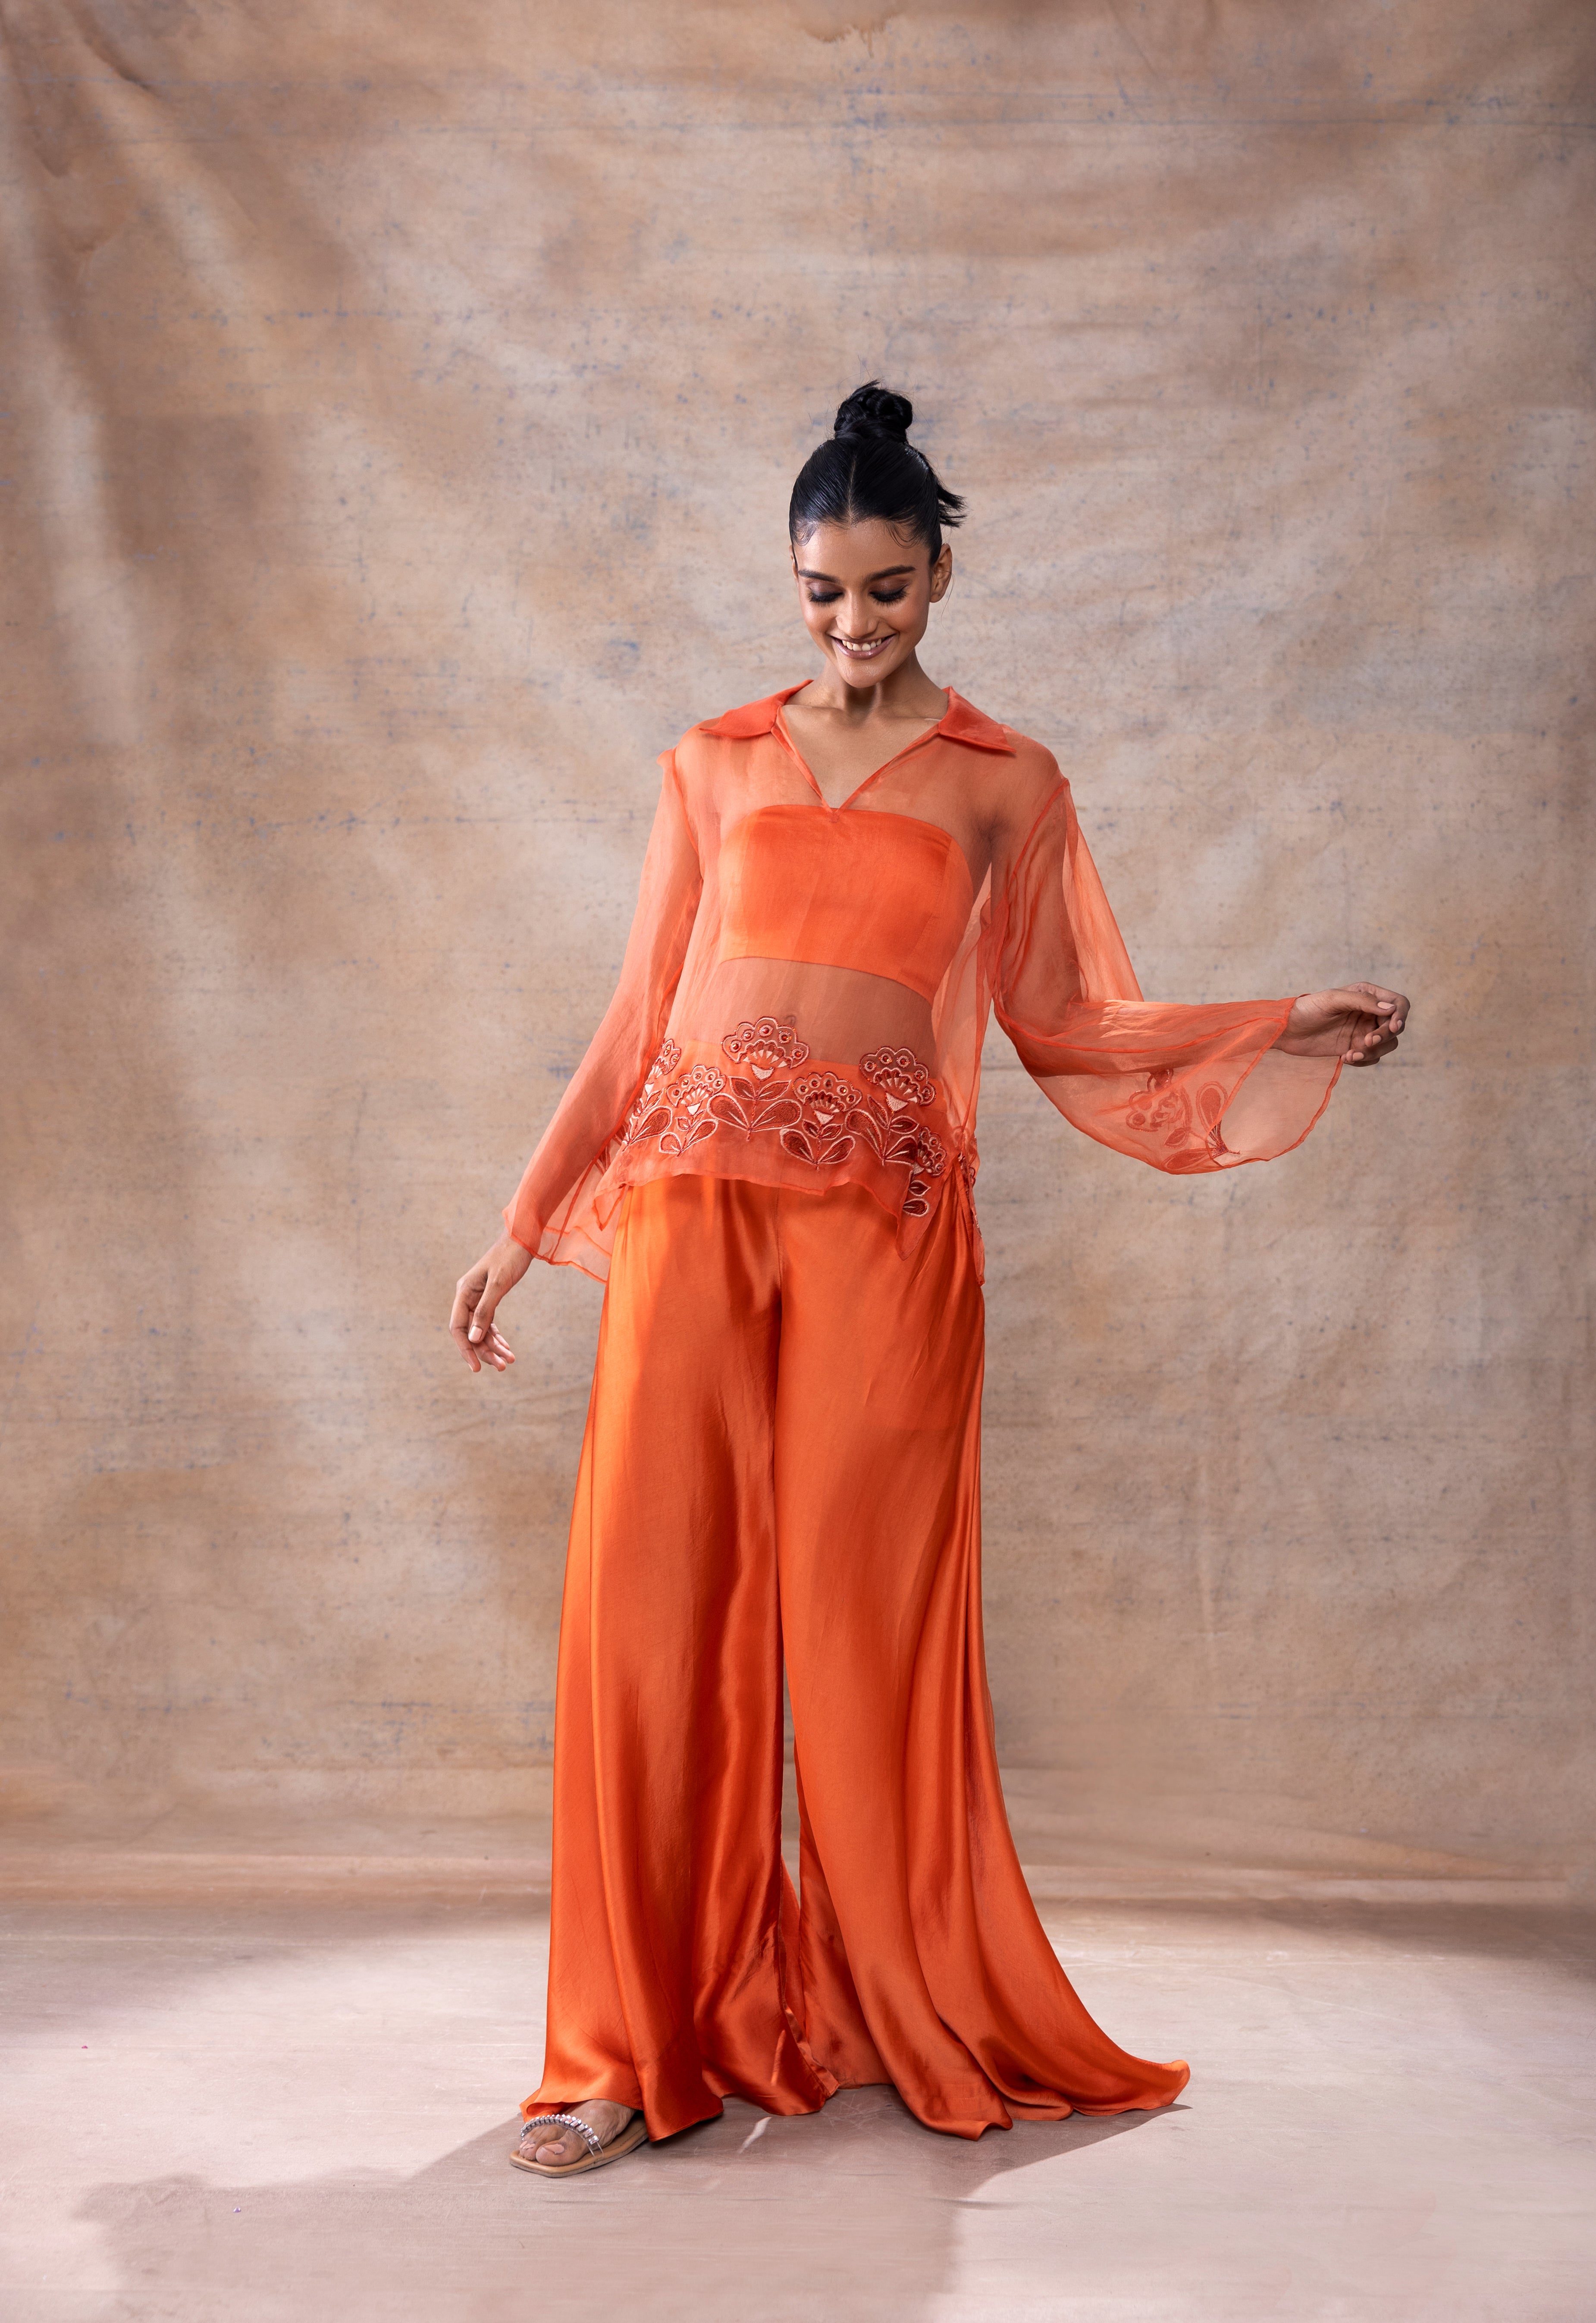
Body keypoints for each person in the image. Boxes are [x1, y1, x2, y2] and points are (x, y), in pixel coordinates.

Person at [449, 383, 1410, 2179]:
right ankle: (624, 2051)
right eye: (822, 591)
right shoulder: (711, 759)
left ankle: (896, 1996)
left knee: (865, 1626)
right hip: (693, 1215)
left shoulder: (1005, 783)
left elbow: (1072, 1020)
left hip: (887, 1239)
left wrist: (1281, 1019)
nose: (852, 622)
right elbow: (639, 1017)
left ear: (942, 575)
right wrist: (522, 1225)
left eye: (885, 589)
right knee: (650, 1615)